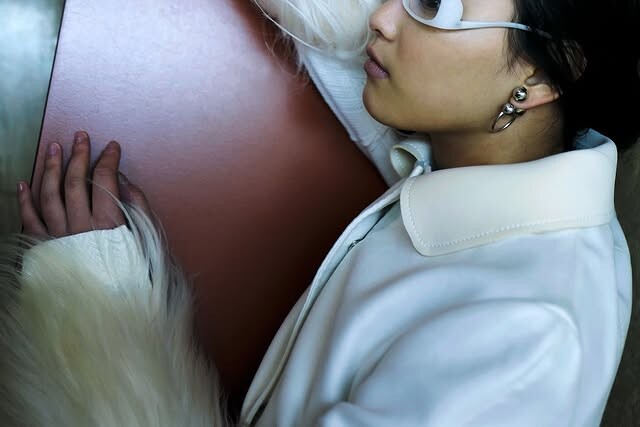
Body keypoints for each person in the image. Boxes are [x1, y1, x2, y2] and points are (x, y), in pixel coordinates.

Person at [2, 0, 639, 426]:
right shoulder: (490, 156)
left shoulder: (526, 340)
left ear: (547, 76)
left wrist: (102, 320)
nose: (382, 17)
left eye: (433, 2)